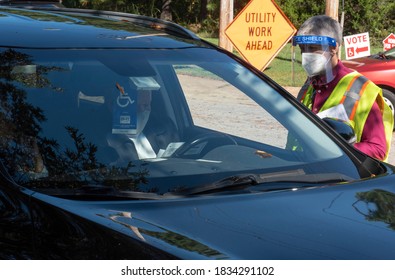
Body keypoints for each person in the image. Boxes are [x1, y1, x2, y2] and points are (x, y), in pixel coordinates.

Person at [293, 15, 393, 161]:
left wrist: (337, 148)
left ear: (333, 48)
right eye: (303, 49)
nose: (306, 55)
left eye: (313, 49)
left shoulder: (362, 89)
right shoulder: (310, 84)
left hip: (340, 179)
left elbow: (378, 150)